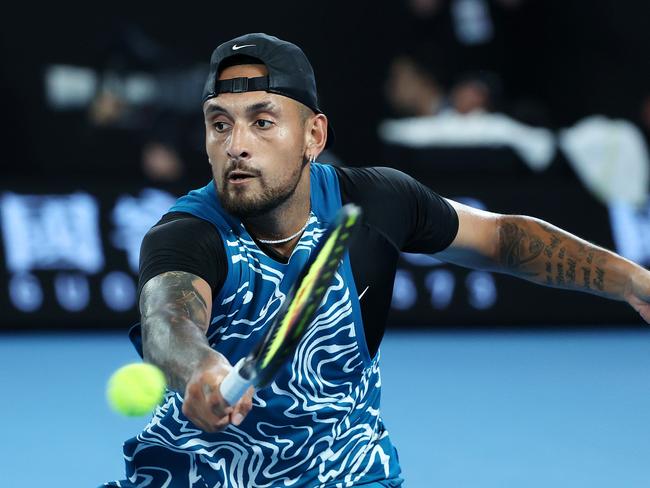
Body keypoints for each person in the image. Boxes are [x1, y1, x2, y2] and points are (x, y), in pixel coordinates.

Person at [103, 33, 650, 488]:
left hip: (349, 473)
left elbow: (502, 239)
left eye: (262, 122)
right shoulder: (186, 233)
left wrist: (633, 280)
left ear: (313, 134)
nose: (236, 145)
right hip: (195, 476)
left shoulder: (380, 201)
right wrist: (199, 369)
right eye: (220, 124)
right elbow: (167, 319)